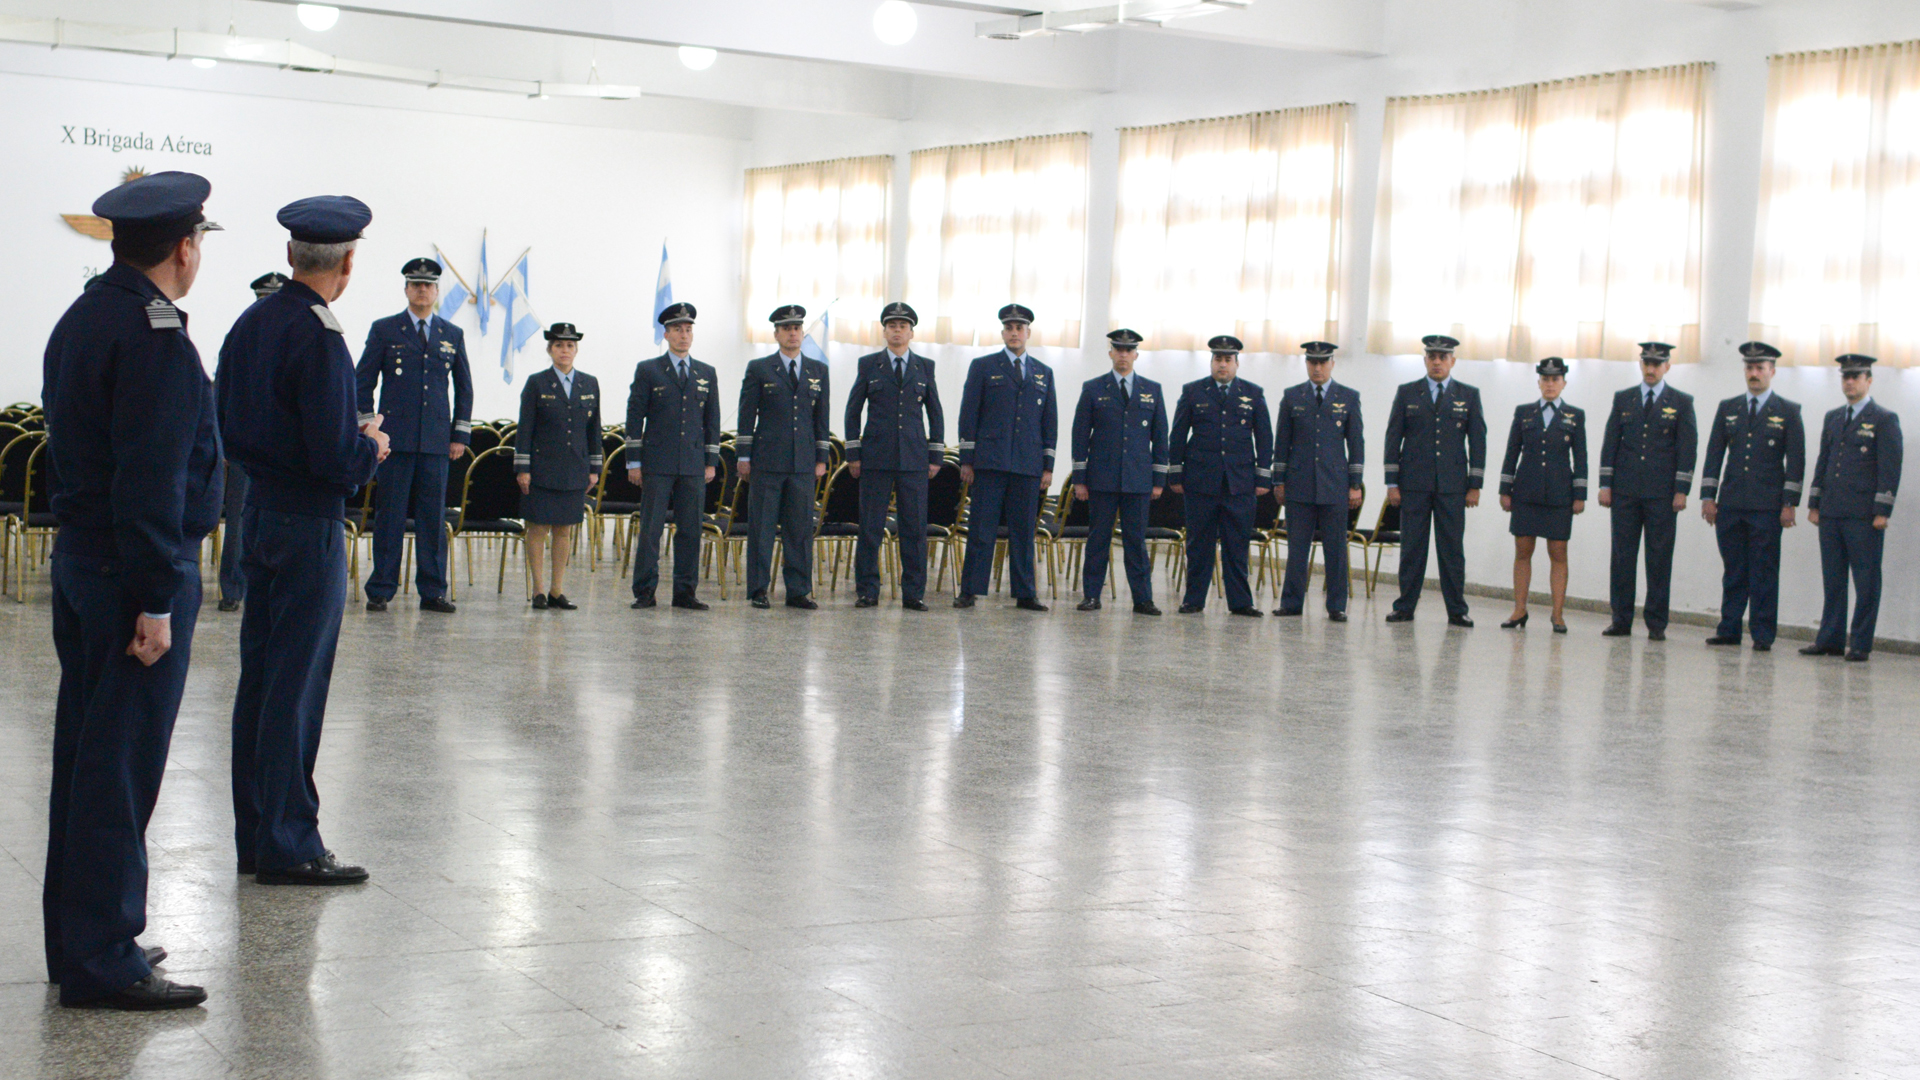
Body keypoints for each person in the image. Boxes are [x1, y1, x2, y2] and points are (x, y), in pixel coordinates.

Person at [41, 171, 222, 1010]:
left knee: (85, 761)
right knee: (119, 769)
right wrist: (157, 599)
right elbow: (151, 481)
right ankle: (105, 956)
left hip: (83, 561)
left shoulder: (84, 316)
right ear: (184, 248)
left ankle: (80, 939)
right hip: (130, 575)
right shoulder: (155, 337)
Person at [218, 195, 386, 887]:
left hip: (259, 513)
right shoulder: (320, 336)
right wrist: (368, 447)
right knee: (296, 685)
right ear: (347, 263)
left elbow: (228, 418)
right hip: (308, 522)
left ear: (291, 256)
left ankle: (259, 834)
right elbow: (329, 455)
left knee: (261, 681)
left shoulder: (251, 322)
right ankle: (290, 841)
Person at [354, 257, 473, 614]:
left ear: (437, 291)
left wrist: (460, 436)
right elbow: (363, 381)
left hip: (436, 441)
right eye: (415, 284)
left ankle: (433, 590)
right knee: (389, 515)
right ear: (406, 289)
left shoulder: (452, 335)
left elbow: (464, 388)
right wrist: (368, 429)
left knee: (432, 519)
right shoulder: (385, 330)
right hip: (393, 442)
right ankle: (381, 588)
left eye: (428, 285)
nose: (422, 290)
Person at [1701, 342, 1804, 651]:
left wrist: (1789, 503)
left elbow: (1795, 461)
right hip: (1730, 504)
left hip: (1766, 507)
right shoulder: (1728, 407)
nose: (1754, 373)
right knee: (1734, 571)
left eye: (1760, 368)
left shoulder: (1788, 411)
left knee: (1763, 572)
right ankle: (1729, 628)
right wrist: (1708, 496)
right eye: (1749, 368)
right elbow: (1714, 454)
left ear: (1772, 371)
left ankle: (1762, 634)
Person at [955, 303, 1058, 611]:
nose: (1015, 333)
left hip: (1027, 465)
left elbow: (1049, 422)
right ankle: (970, 590)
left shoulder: (1043, 372)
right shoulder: (983, 367)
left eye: (1020, 328)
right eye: (1009, 328)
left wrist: (1048, 465)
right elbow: (968, 414)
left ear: (1028, 333)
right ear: (1003, 333)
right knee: (981, 530)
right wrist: (967, 460)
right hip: (990, 462)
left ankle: (1026, 593)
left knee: (1024, 532)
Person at [844, 301, 944, 611]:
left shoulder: (924, 367)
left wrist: (935, 455)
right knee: (871, 527)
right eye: (891, 325)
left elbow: (935, 412)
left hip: (914, 459)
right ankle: (867, 591)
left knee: (913, 529)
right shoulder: (868, 364)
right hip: (876, 457)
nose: (897, 330)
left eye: (902, 325)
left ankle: (913, 593)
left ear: (912, 331)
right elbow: (853, 410)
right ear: (884, 331)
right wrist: (853, 453)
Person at [1803, 354, 1902, 662]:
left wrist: (1882, 510)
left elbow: (1890, 468)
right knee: (1833, 580)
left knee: (1866, 580)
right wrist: (1815, 503)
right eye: (1845, 376)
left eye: (1855, 376)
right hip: (1832, 511)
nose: (1849, 381)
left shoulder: (1884, 419)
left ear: (1868, 380)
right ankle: (1830, 639)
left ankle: (1860, 643)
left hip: (1863, 515)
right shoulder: (1833, 417)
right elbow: (1824, 462)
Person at [1383, 334, 1486, 627]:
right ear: (1425, 360)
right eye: (1432, 357)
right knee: (1412, 548)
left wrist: (1474, 485)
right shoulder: (1407, 393)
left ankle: (1457, 610)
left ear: (1453, 360)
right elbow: (1393, 439)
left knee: (1451, 550)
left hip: (1453, 487)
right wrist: (1392, 482)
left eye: (1443, 357)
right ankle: (1404, 606)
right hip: (1413, 485)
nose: (1437, 362)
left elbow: (1478, 442)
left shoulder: (1468, 395)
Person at [1598, 341, 1697, 640]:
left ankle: (1656, 623)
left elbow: (1687, 449)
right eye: (1646, 363)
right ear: (1640, 365)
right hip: (1626, 492)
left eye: (1657, 363)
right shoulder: (1623, 399)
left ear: (1667, 366)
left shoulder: (1681, 402)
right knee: (1622, 558)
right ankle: (1621, 620)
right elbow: (1610, 443)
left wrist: (1682, 490)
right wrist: (1606, 485)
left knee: (1658, 559)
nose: (1651, 369)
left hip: (1661, 495)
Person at [626, 302, 721, 609]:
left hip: (693, 464)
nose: (684, 335)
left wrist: (710, 462)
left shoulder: (706, 372)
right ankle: (645, 591)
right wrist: (634, 462)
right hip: (658, 464)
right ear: (665, 334)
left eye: (688, 329)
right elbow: (634, 418)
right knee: (651, 529)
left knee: (691, 530)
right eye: (678, 329)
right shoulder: (649, 370)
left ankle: (685, 592)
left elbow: (712, 421)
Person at [1168, 336, 1272, 617]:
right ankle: (1194, 599)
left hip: (1239, 483)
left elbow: (1264, 439)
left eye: (1228, 359)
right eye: (1218, 359)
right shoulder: (1193, 392)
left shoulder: (1254, 393)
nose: (1222, 364)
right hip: (1201, 481)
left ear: (1237, 363)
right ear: (1211, 362)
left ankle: (1240, 602)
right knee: (1199, 544)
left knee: (1237, 544)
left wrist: (1263, 478)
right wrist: (1175, 473)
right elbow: (1177, 435)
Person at [1070, 328, 1169, 615]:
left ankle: (1143, 599)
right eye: (1119, 350)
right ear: (1111, 353)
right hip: (1101, 479)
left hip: (1138, 479)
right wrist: (1080, 479)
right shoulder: (1093, 388)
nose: (1123, 355)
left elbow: (1160, 436)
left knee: (1136, 541)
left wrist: (1158, 479)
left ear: (1136, 355)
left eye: (1129, 350)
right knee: (1098, 538)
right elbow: (1080, 437)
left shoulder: (1152, 389)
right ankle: (1091, 595)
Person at [738, 305, 830, 609]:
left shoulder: (818, 370)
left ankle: (798, 590)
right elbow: (746, 416)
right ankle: (759, 589)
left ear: (802, 333)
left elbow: (822, 419)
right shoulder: (759, 368)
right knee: (762, 527)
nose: (793, 333)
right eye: (786, 328)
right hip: (768, 461)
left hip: (802, 462)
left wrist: (821, 457)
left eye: (797, 328)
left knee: (800, 528)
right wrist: (743, 456)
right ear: (776, 334)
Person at [1272, 341, 1363, 621]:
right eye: (1312, 362)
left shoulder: (1348, 397)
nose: (1318, 367)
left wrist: (1355, 484)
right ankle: (1291, 603)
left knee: (1335, 549)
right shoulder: (1292, 397)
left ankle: (1336, 605)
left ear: (1332, 364)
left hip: (1335, 485)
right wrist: (1279, 481)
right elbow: (1282, 443)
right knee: (1297, 548)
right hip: (1299, 485)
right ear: (1307, 364)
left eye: (1323, 362)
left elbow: (1356, 443)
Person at [216, 272, 289, 613]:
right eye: (263, 299)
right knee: (239, 519)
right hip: (246, 445)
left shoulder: (297, 336)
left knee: (282, 519)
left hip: (286, 448)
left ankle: (273, 585)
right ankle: (232, 588)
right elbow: (221, 391)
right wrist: (224, 442)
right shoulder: (240, 336)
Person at [514, 323, 601, 610]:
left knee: (564, 530)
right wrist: (522, 468)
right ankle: (538, 590)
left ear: (576, 349)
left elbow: (594, 430)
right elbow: (525, 429)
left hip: (574, 468)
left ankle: (556, 590)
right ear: (550, 350)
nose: (565, 350)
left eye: (570, 345)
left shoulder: (589, 384)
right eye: (559, 345)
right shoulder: (536, 383)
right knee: (537, 529)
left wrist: (594, 468)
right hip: (541, 469)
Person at [1497, 357, 1587, 632]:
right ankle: (1519, 609)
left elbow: (1580, 457)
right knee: (1523, 550)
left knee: (1558, 552)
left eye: (1555, 379)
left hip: (1560, 495)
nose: (1550, 384)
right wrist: (1505, 489)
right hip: (1526, 492)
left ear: (1564, 383)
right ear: (1539, 382)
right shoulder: (1524, 412)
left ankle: (1557, 614)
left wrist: (1579, 493)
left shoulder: (1574, 415)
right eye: (1545, 379)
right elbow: (1512, 451)